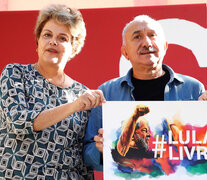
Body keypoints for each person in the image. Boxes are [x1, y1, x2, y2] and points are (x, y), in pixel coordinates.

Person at [83, 15, 206, 171]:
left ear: (165, 46)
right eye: (137, 37)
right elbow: (87, 155)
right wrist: (99, 150)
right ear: (125, 53)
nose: (147, 43)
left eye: (152, 35)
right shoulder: (107, 93)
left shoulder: (193, 89)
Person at [0, 4, 105, 179]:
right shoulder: (15, 74)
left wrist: (102, 144)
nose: (53, 41)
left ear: (74, 47)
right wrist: (74, 105)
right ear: (38, 42)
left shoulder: (82, 93)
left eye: (62, 38)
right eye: (47, 35)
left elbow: (84, 157)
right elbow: (19, 122)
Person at [111, 105, 155, 173]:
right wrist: (135, 116)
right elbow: (126, 135)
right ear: (132, 135)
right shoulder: (122, 151)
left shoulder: (146, 152)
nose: (148, 135)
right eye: (144, 130)